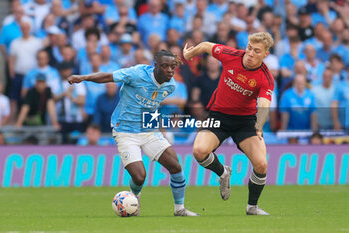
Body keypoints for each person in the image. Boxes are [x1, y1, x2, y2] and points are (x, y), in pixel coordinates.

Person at [68, 50, 199, 217]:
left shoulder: (170, 85)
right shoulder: (136, 73)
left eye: (172, 67)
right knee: (139, 176)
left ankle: (179, 209)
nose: (170, 70)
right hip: (125, 131)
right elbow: (107, 77)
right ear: (155, 66)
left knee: (176, 166)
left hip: (149, 130)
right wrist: (83, 77)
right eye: (165, 66)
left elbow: (152, 105)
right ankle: (134, 200)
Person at [183, 32, 275, 215]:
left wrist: (259, 125)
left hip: (246, 122)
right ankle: (223, 172)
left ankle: (252, 207)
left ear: (265, 54)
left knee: (261, 164)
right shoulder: (231, 55)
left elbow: (264, 104)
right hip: (219, 116)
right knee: (199, 151)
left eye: (256, 51)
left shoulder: (266, 77)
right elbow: (207, 45)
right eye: (249, 48)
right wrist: (189, 55)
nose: (250, 53)